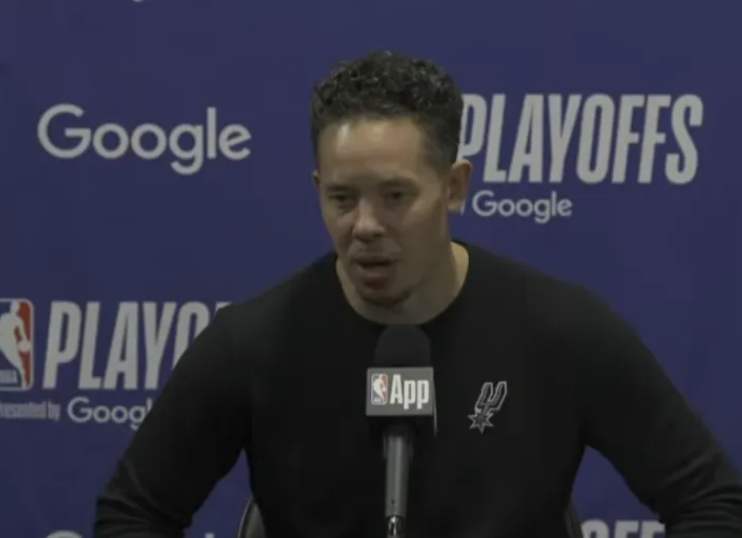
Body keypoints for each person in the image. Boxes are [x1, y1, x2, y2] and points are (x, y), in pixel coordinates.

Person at [94, 50, 742, 537]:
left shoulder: (562, 333)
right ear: (317, 188)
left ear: (454, 186)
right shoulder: (252, 345)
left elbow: (713, 503)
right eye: (341, 198)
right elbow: (132, 515)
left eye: (396, 196)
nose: (365, 226)